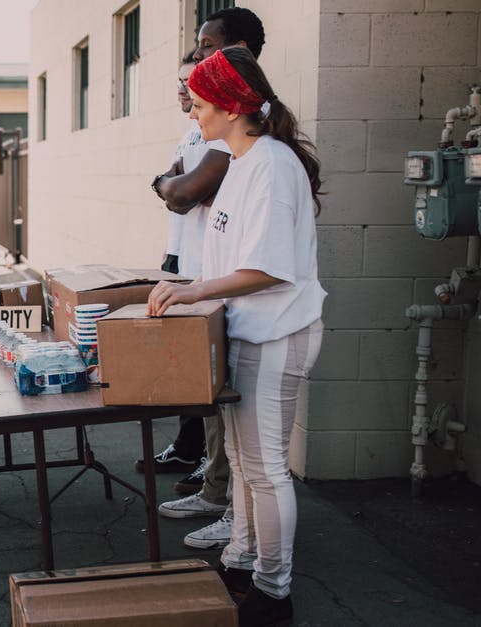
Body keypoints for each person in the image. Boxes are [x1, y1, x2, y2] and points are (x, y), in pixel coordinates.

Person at [147, 46, 325, 626]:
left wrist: (194, 293)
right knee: (248, 466)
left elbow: (270, 267)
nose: (192, 113)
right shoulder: (241, 160)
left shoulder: (271, 165)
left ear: (228, 105)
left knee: (267, 468)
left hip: (277, 333)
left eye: (199, 103)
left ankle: (274, 592)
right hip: (248, 332)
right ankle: (244, 560)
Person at [144, 6, 267, 552]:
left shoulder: (251, 137)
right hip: (200, 273)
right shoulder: (213, 128)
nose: (195, 55)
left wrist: (177, 184)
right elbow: (173, 185)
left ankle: (233, 517)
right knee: (213, 405)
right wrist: (173, 182)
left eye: (206, 46)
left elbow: (183, 191)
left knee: (244, 436)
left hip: (229, 290)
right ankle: (221, 498)